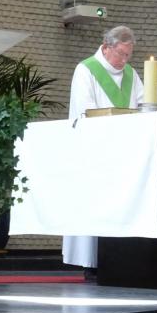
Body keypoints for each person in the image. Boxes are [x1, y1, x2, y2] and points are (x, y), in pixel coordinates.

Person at [64, 25, 144, 276]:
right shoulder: (86, 70)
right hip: (96, 152)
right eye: (120, 54)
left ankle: (122, 258)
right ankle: (92, 263)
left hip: (126, 153)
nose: (124, 60)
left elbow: (143, 105)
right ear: (106, 47)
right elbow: (84, 110)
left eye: (128, 55)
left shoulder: (131, 74)